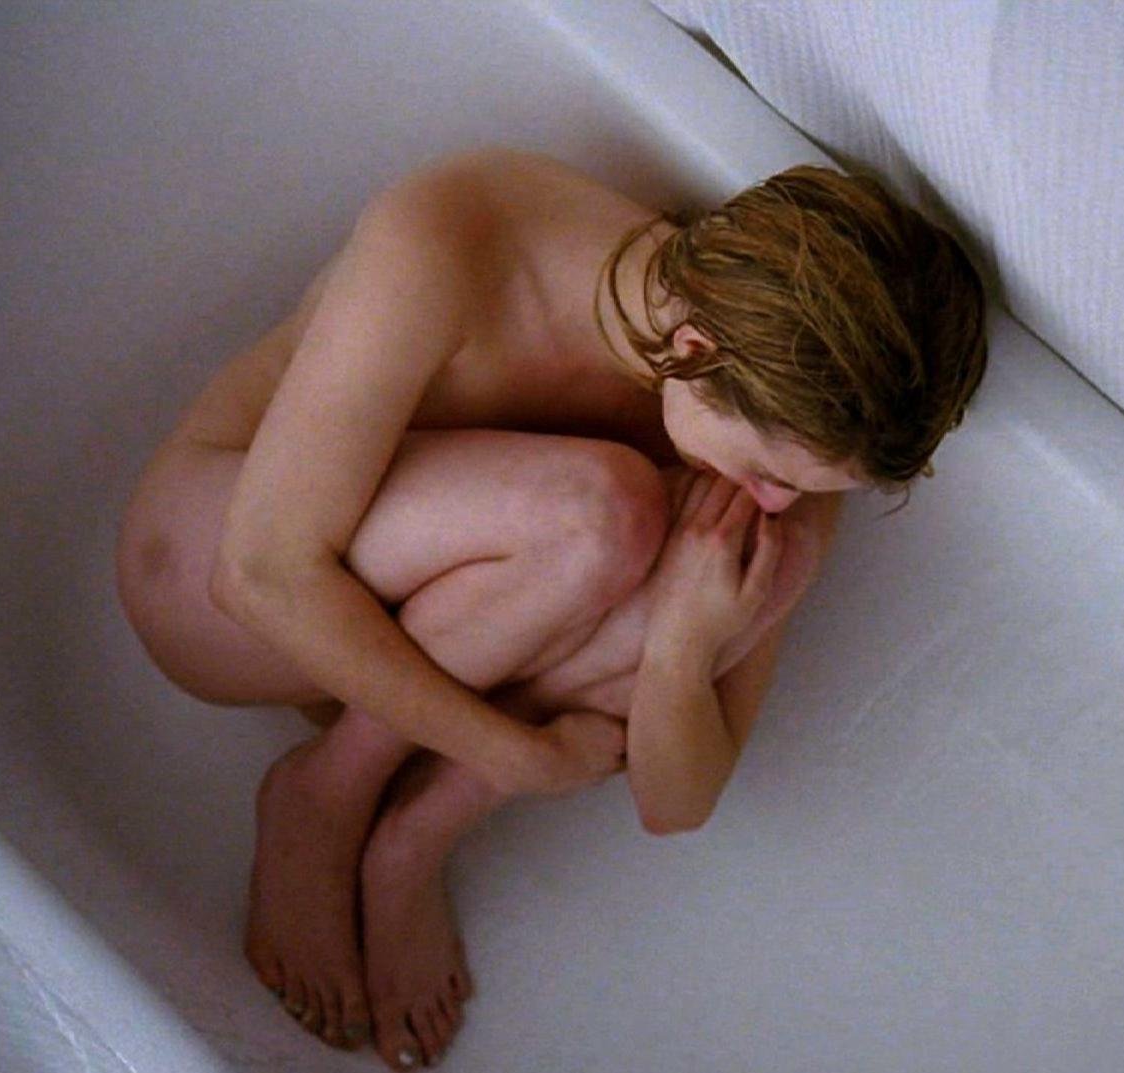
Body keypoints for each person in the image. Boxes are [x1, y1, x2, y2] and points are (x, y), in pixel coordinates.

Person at [113, 147, 987, 1070]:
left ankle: (408, 840)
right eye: (771, 472)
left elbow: (676, 802)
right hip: (217, 581)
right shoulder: (455, 238)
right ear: (696, 352)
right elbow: (261, 574)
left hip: (402, 620)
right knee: (601, 510)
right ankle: (324, 794)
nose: (776, 498)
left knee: (744, 559)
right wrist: (514, 754)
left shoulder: (794, 416)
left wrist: (681, 650)